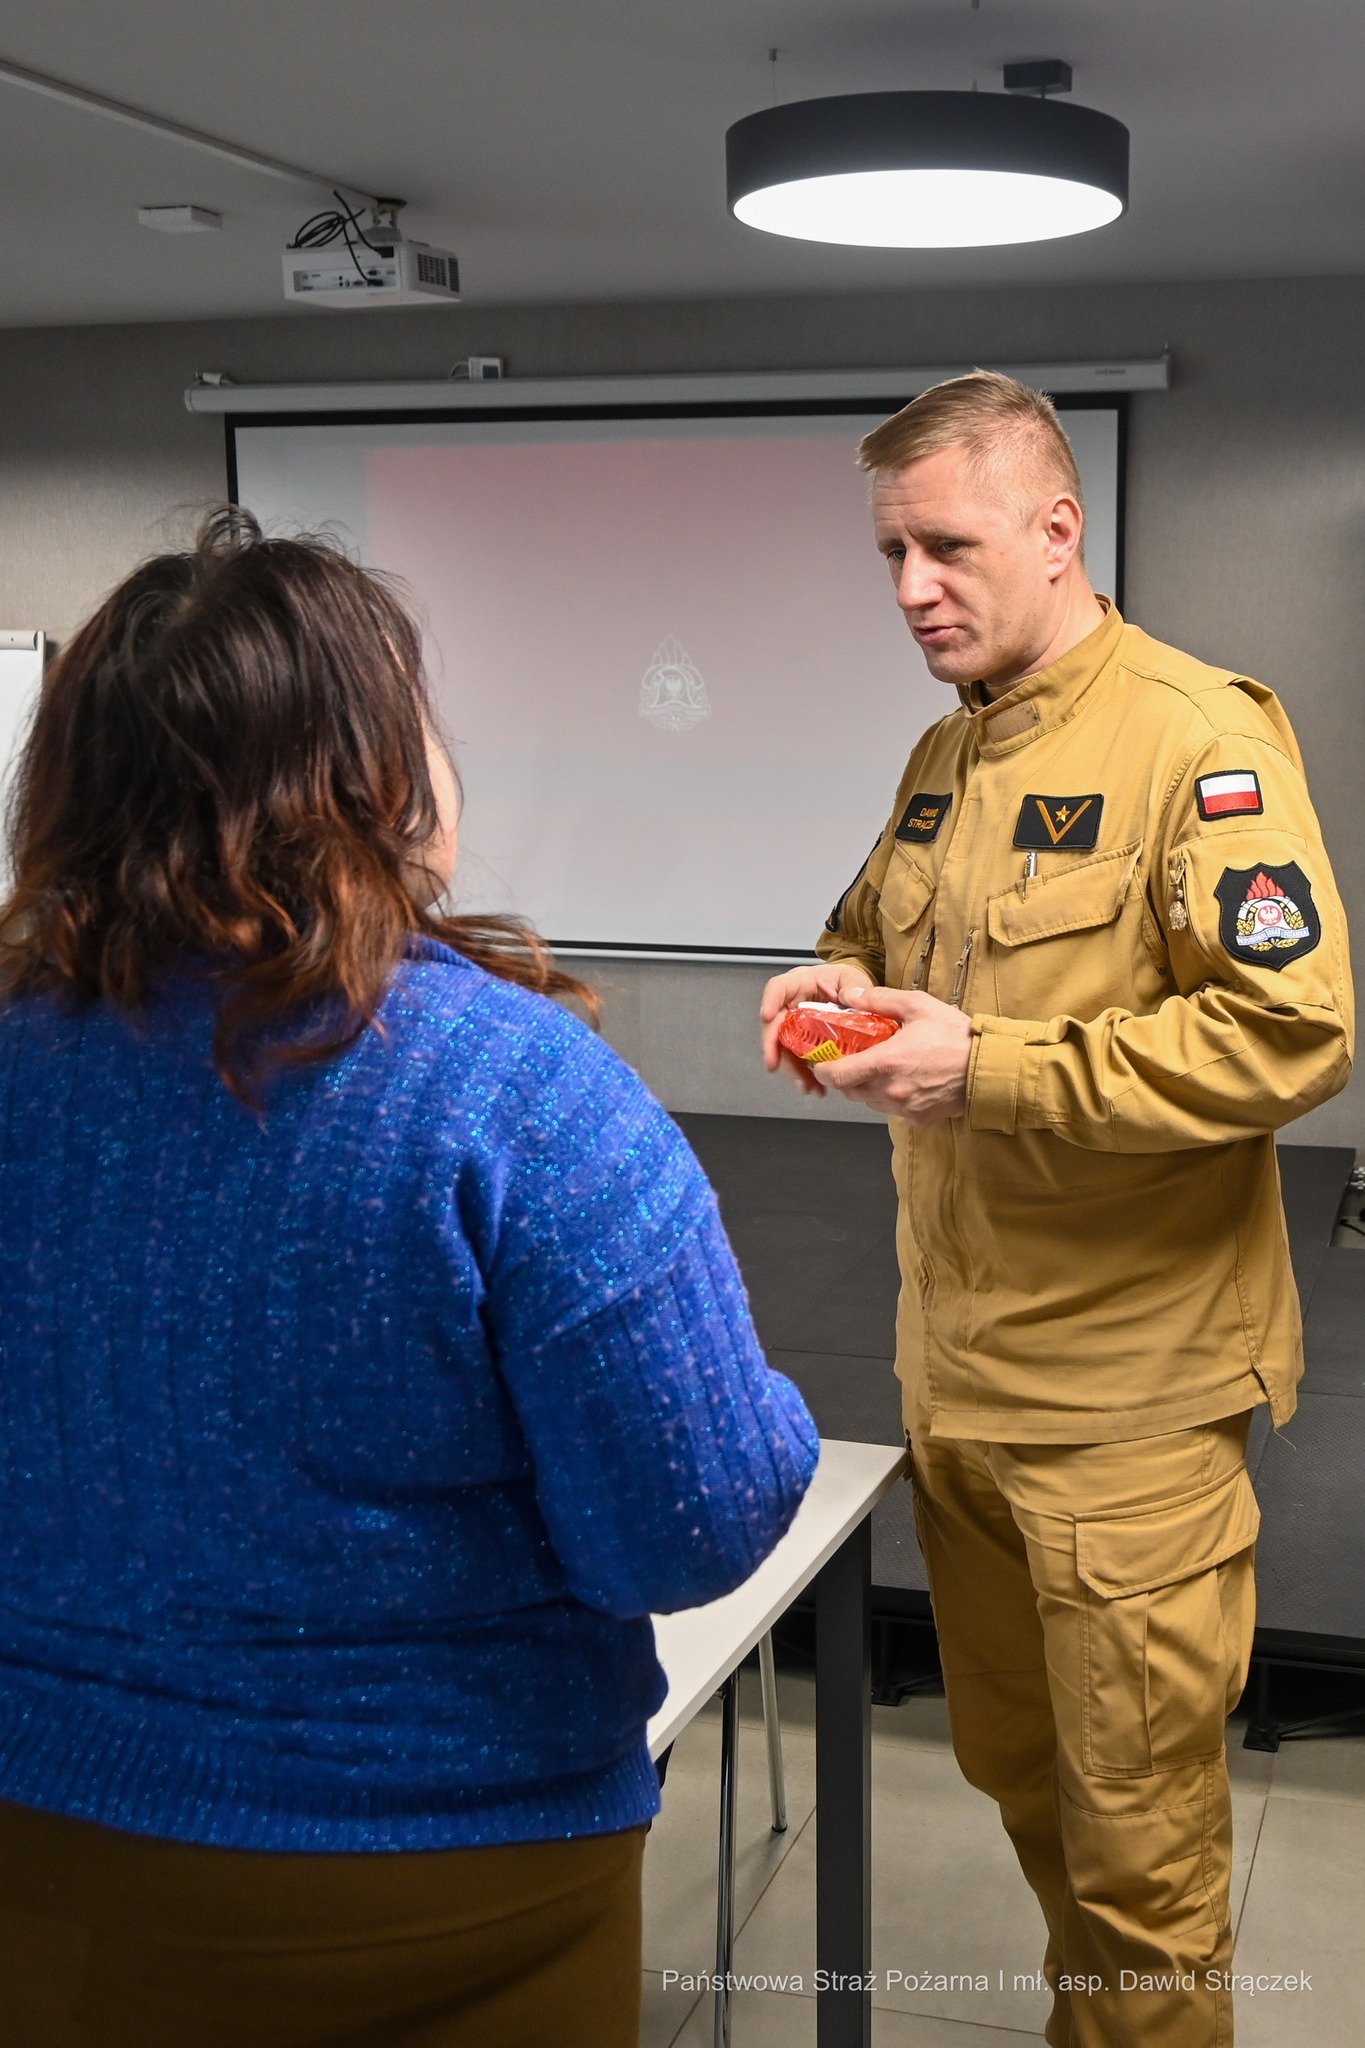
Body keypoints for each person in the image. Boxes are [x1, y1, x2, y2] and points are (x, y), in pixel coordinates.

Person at [0, 509, 819, 2048]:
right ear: (365, 779)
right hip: (442, 1886)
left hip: (39, 1846)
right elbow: (687, 1527)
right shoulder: (521, 1090)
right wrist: (761, 1408)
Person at [761, 372, 1352, 2048]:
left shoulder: (1198, 738)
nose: (908, 590)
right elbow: (877, 937)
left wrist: (990, 1071)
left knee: (1142, 1873)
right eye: (887, 554)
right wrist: (836, 983)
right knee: (1027, 1786)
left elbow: (1294, 1031)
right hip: (962, 1388)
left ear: (1055, 529)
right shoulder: (947, 751)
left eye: (940, 546)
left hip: (1125, 1417)